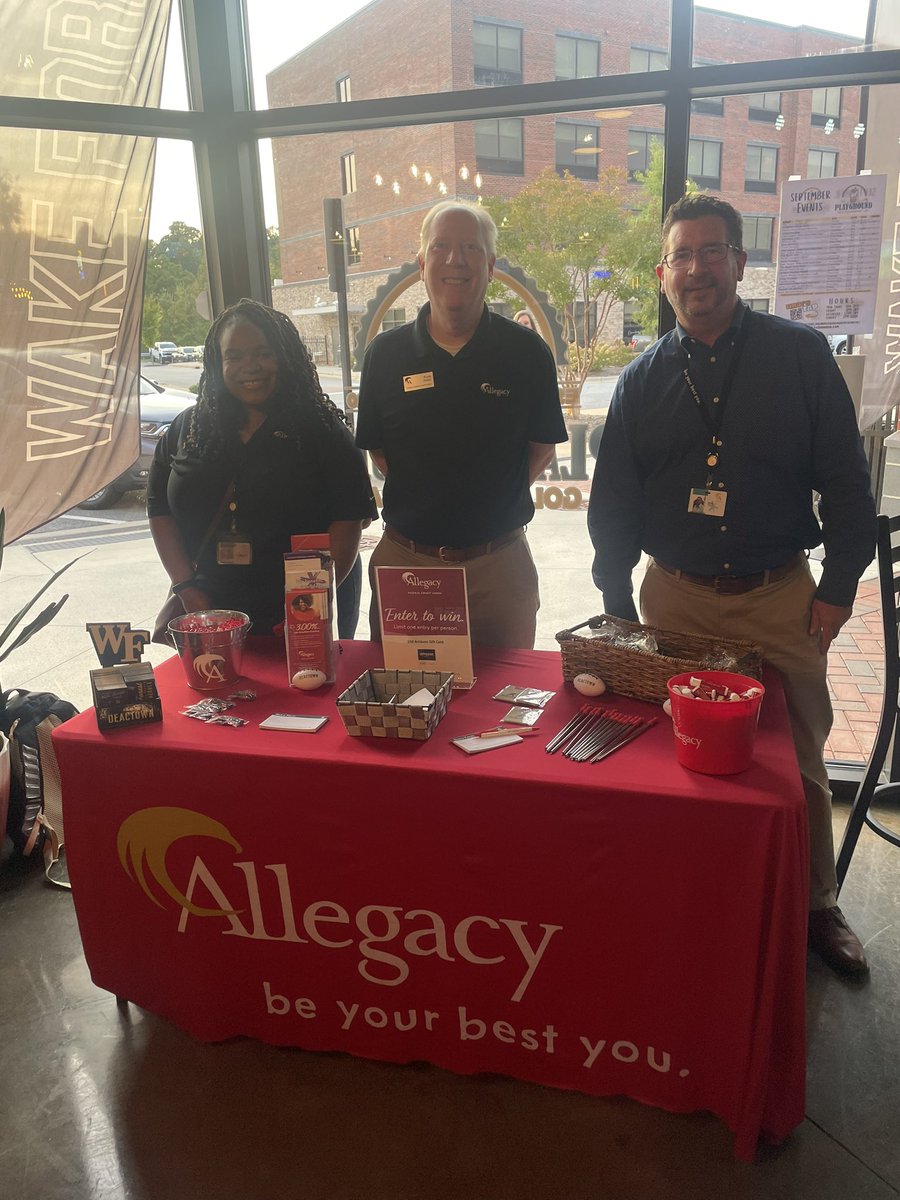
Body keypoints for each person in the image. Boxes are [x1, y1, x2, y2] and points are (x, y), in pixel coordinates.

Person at [587, 193, 876, 975]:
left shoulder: (799, 356)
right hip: (673, 599)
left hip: (778, 594)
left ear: (740, 265)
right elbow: (611, 502)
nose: (697, 269)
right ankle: (697, 890)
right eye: (682, 255)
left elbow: (848, 484)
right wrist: (617, 606)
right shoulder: (640, 381)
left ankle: (818, 904)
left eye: (712, 252)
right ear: (661, 274)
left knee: (801, 763)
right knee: (677, 758)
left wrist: (839, 584)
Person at [356, 201, 568, 648]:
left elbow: (542, 448)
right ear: (421, 264)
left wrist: (486, 499)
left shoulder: (526, 353)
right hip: (408, 565)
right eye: (441, 247)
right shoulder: (384, 356)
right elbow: (380, 452)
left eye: (470, 247)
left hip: (499, 566)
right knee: (406, 705)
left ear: (490, 265)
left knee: (501, 710)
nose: (455, 260)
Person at [148, 298, 377, 636]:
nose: (250, 366)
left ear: (284, 358)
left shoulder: (323, 432)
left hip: (301, 608)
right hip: (208, 606)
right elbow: (159, 507)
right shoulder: (188, 429)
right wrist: (186, 588)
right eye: (234, 356)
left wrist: (310, 605)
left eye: (263, 353)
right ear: (217, 362)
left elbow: (348, 521)